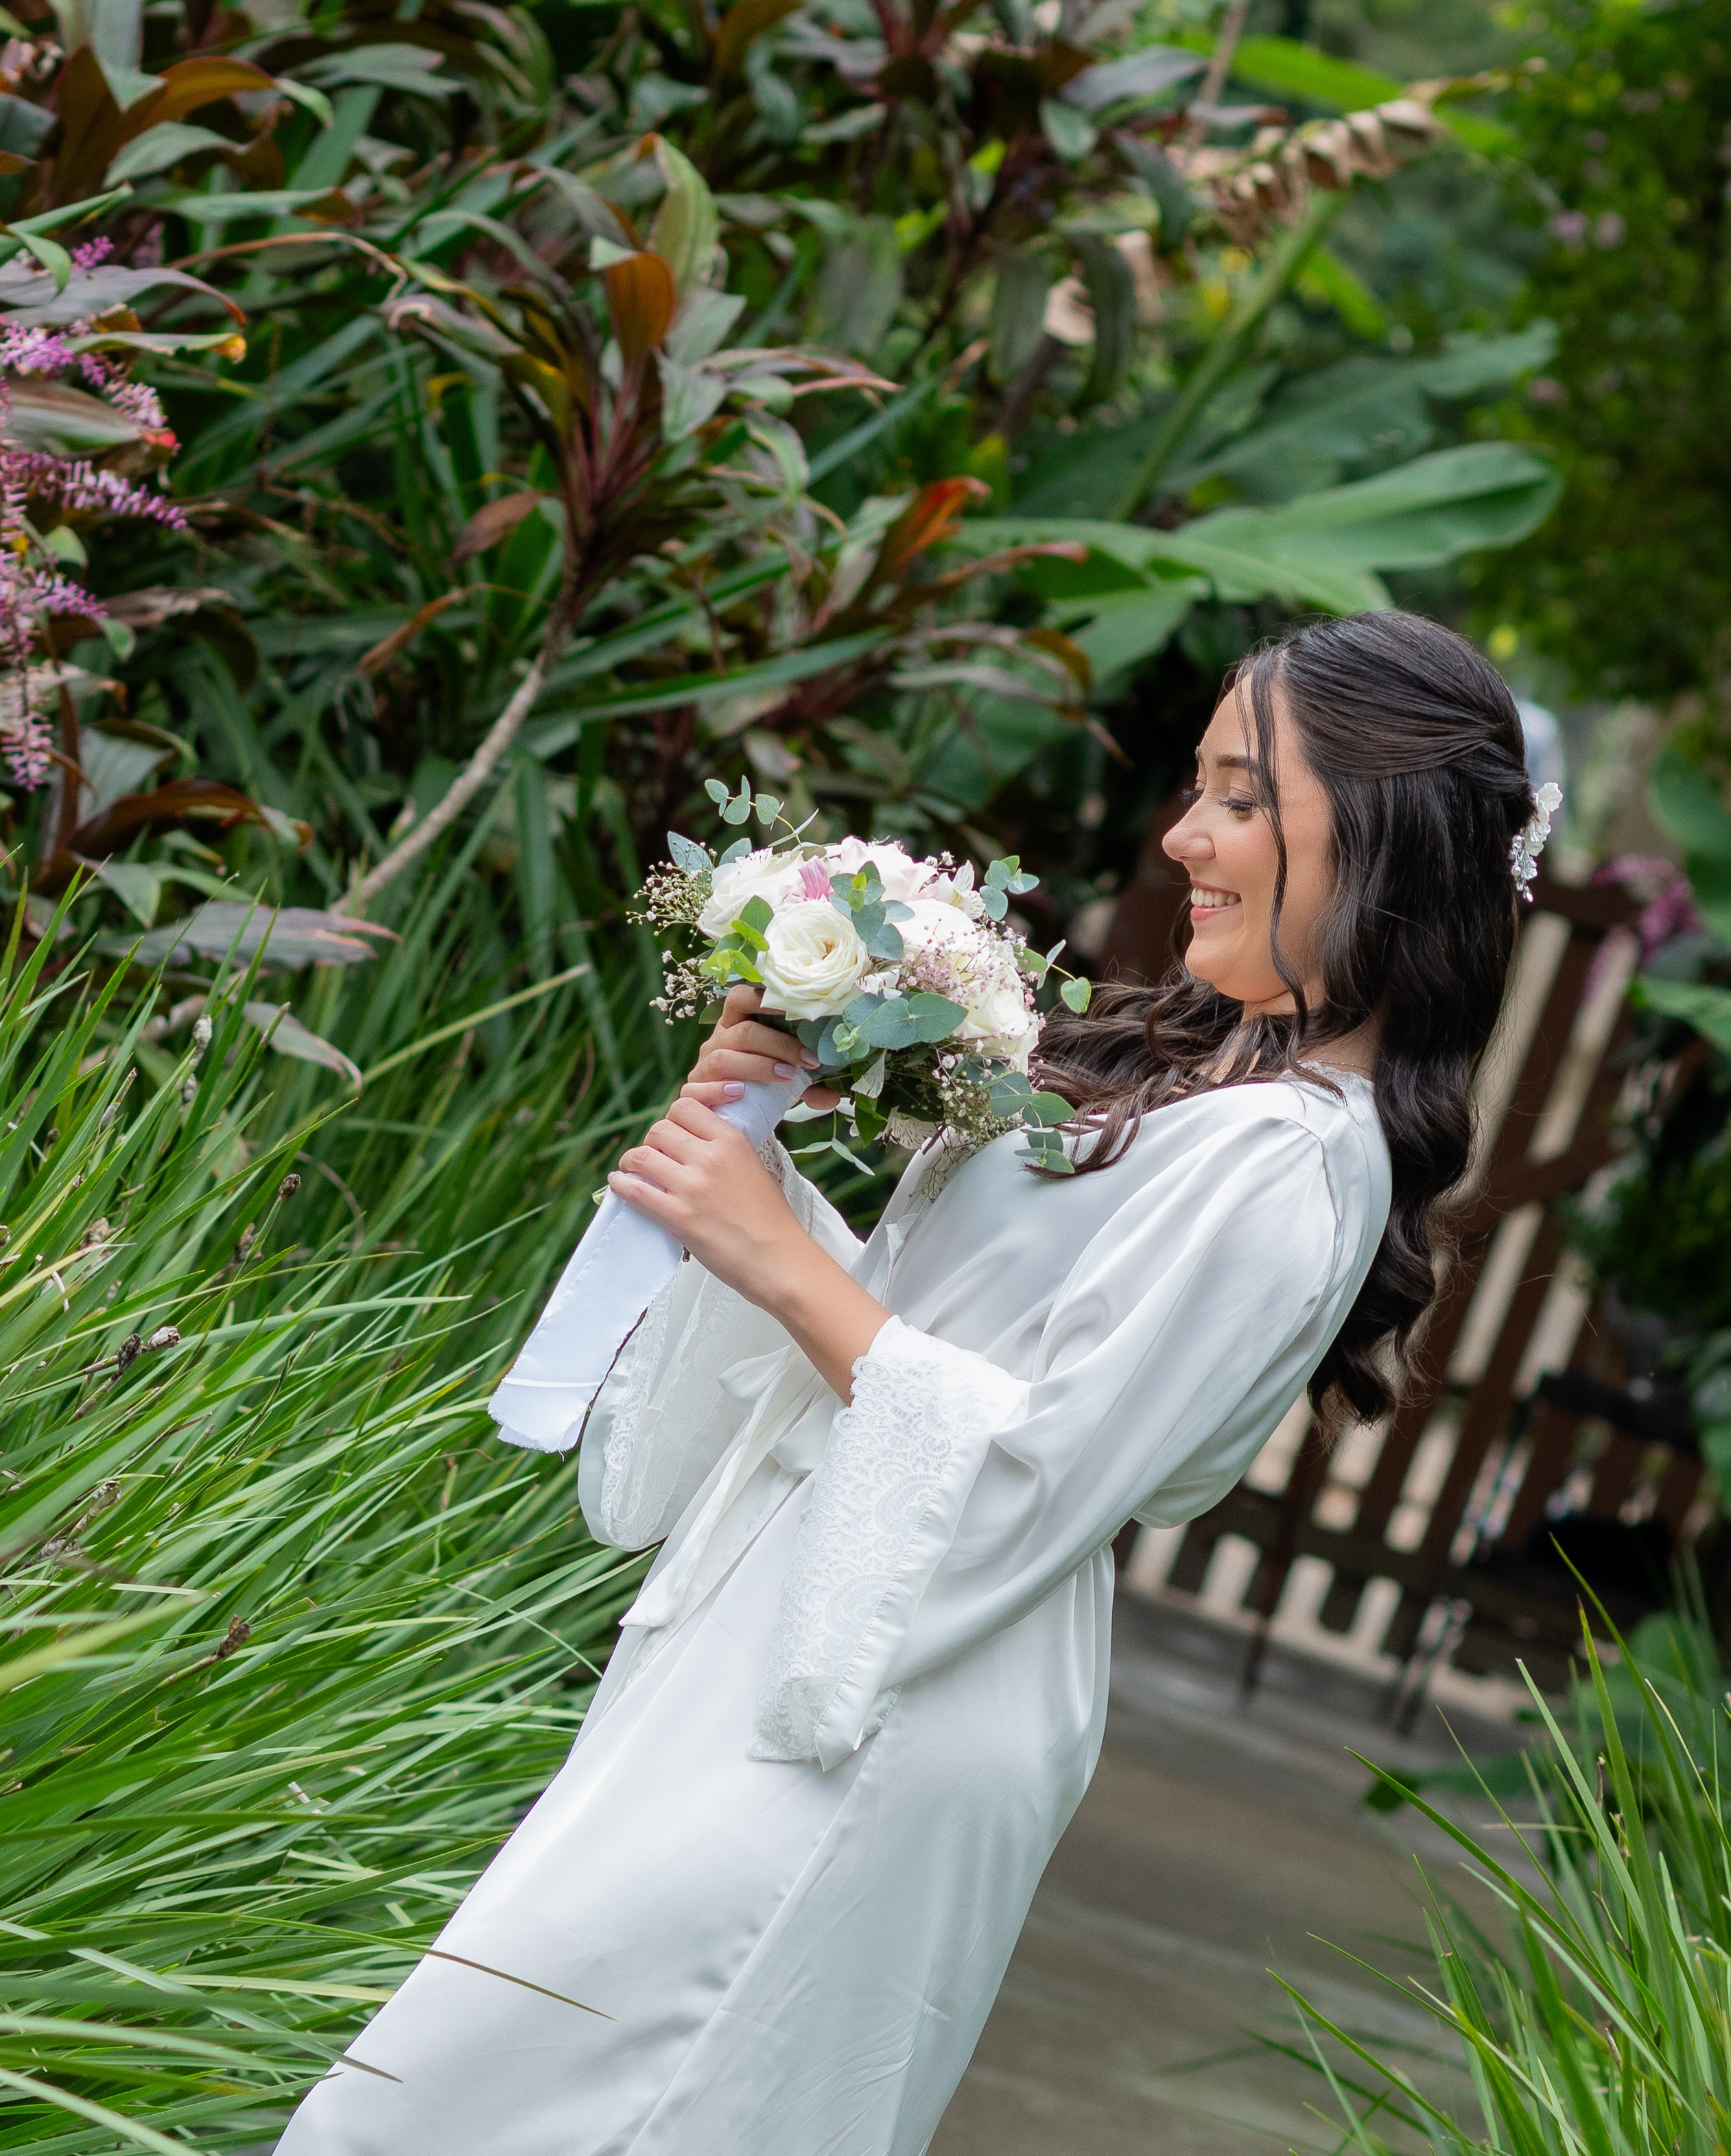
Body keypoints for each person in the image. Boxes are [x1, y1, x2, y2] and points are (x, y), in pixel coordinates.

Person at [278, 611, 1547, 2156]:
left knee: (581, 2099)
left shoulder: (1286, 1167)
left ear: (1378, 827)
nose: (1178, 835)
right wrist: (748, 1161)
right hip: (796, 1615)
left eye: (1234, 795)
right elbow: (922, 1327)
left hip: (898, 1677)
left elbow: (1033, 1475)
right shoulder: (1199, 1076)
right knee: (498, 2079)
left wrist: (777, 1259)